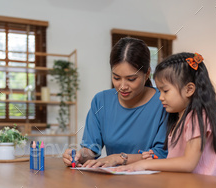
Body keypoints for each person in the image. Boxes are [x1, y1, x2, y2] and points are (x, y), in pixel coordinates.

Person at [62, 37, 168, 168]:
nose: (122, 86)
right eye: (116, 78)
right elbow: (91, 149)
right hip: (112, 180)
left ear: (146, 74)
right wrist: (78, 156)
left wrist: (118, 158)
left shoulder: (163, 102)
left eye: (131, 79)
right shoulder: (101, 101)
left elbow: (160, 154)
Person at [114, 52, 216, 176]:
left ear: (189, 90)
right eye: (160, 91)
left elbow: (188, 163)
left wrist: (144, 164)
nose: (160, 97)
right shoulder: (178, 118)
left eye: (165, 91)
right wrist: (154, 159)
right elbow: (177, 161)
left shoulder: (197, 117)